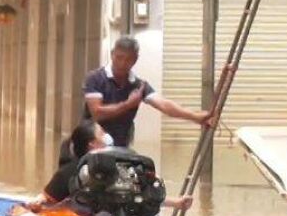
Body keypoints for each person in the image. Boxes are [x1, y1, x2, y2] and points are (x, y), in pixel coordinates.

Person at [29, 121, 193, 214]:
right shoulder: (70, 172)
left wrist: (178, 203)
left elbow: (139, 195)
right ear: (92, 144)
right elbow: (43, 201)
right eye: (102, 133)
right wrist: (37, 204)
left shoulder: (119, 167)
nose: (107, 136)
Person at [82, 36, 213, 149]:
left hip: (120, 147)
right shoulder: (95, 78)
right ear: (112, 54)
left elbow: (164, 105)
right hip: (91, 147)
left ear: (135, 60)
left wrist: (195, 117)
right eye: (119, 57)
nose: (122, 63)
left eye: (128, 59)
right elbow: (97, 113)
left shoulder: (139, 86)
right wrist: (128, 105)